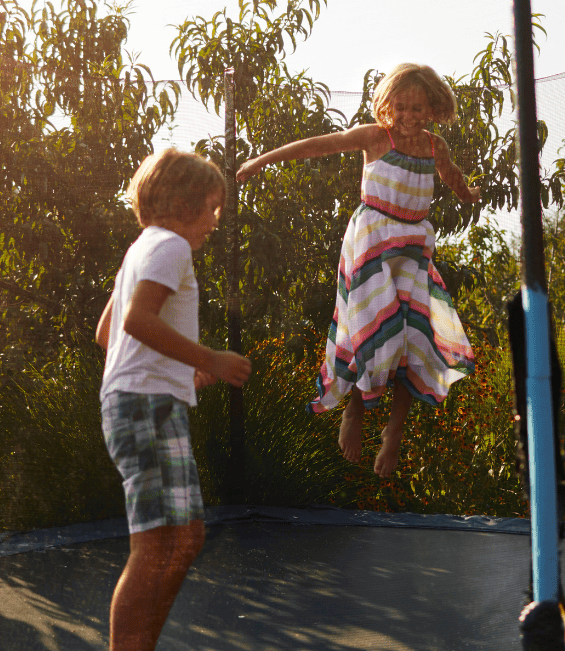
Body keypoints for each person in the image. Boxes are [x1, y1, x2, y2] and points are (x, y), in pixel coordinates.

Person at [236, 63, 478, 478]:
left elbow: (452, 177)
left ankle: (394, 433)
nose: (408, 117)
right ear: (387, 105)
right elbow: (318, 145)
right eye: (400, 107)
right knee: (372, 327)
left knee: (413, 335)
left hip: (413, 250)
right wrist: (262, 160)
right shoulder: (373, 137)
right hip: (372, 244)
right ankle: (355, 409)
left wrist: (468, 191)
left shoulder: (436, 146)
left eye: (418, 109)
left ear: (433, 108)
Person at [96, 148, 251, 651]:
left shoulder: (143, 247)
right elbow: (136, 322)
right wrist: (210, 360)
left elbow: (107, 334)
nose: (215, 220)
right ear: (184, 202)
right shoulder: (171, 247)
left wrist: (180, 371)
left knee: (184, 539)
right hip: (145, 407)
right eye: (211, 206)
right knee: (158, 544)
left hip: (145, 400)